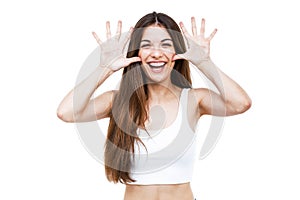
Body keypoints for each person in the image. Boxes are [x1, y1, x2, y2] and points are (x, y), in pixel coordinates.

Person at [57, 12, 251, 200]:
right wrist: (105, 69)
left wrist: (204, 62)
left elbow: (240, 103)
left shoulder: (193, 100)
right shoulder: (116, 101)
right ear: (137, 53)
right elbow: (65, 112)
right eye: (147, 45)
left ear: (178, 52)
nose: (157, 53)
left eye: (166, 45)